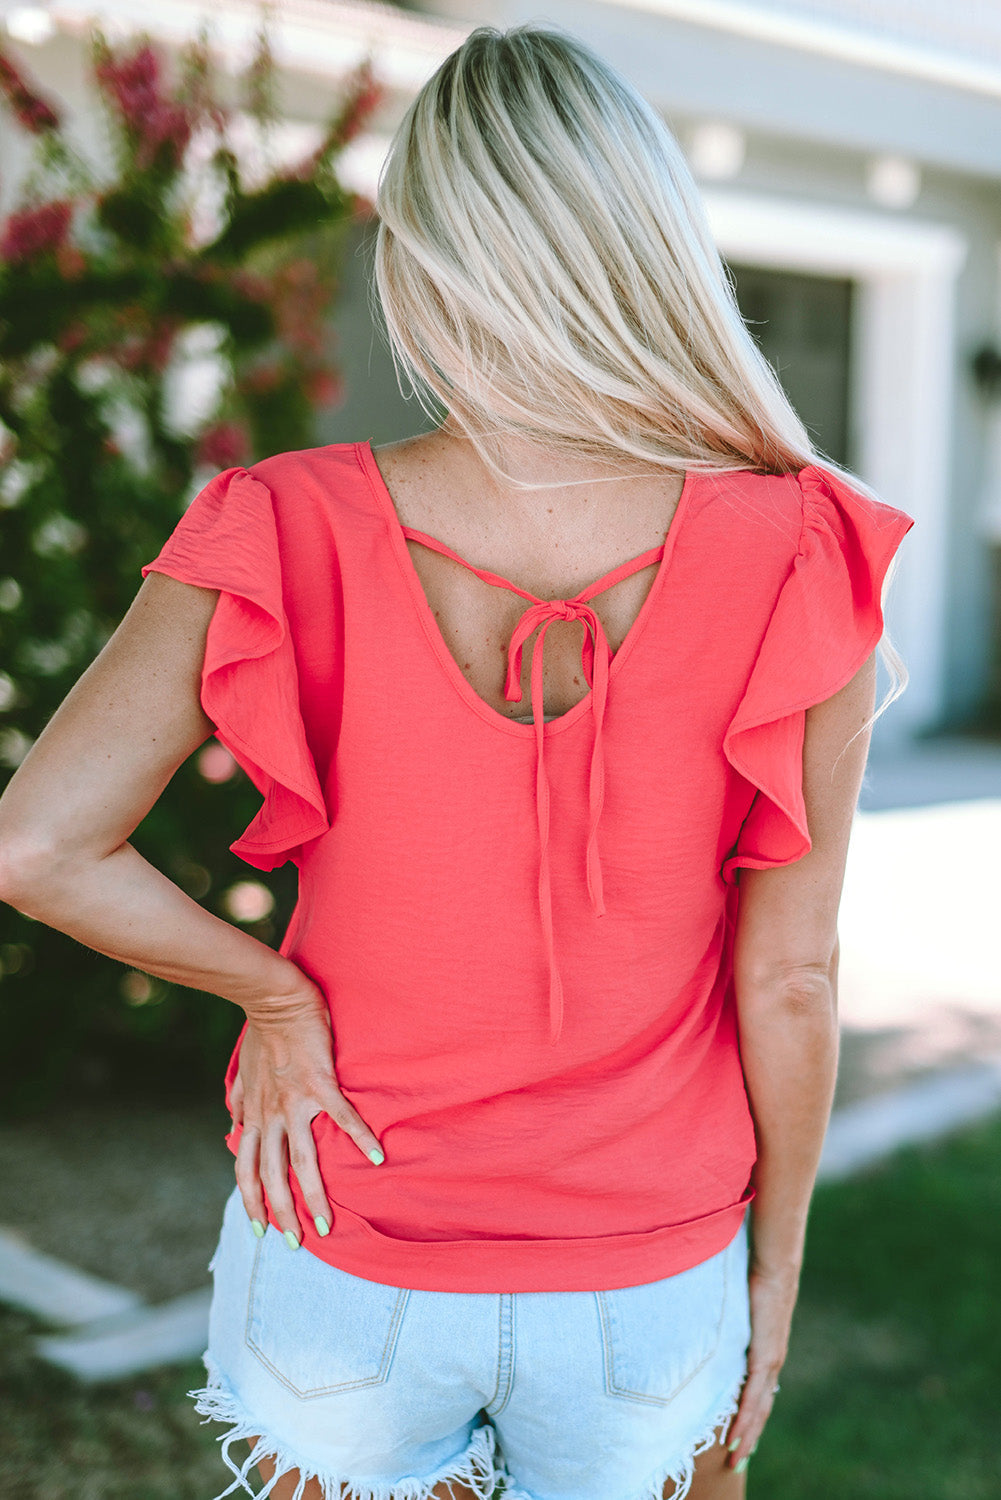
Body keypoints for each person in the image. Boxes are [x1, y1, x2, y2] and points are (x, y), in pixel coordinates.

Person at [0, 23, 914, 1500]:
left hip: (343, 1238)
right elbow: (791, 979)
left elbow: (36, 846)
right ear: (648, 247)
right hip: (642, 1277)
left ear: (418, 256)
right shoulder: (804, 545)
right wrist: (777, 1260)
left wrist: (271, 993)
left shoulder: (280, 518)